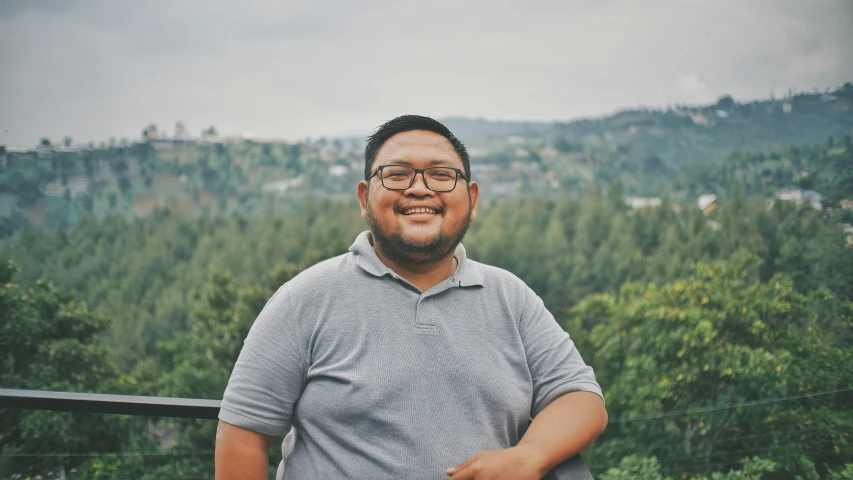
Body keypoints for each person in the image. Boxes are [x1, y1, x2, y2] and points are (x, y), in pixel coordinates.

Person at [215, 115, 607, 480]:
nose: (419, 187)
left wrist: (528, 456)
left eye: (441, 175)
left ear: (471, 199)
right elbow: (243, 434)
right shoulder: (305, 299)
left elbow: (580, 398)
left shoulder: (510, 298)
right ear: (364, 198)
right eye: (397, 174)